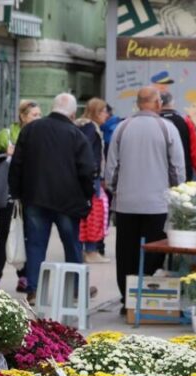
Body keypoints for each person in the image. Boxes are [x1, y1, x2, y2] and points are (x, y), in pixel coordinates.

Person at [7, 92, 95, 304]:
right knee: (72, 245)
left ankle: (34, 290)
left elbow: (17, 164)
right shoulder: (76, 135)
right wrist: (86, 198)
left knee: (36, 244)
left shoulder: (30, 130)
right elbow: (87, 170)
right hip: (68, 201)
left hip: (35, 198)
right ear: (73, 114)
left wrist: (16, 193)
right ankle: (75, 289)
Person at [105, 86, 185, 314]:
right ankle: (150, 295)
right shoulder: (166, 128)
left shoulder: (122, 127)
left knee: (126, 252)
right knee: (155, 250)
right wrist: (178, 193)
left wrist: (115, 189)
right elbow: (177, 167)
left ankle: (127, 300)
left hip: (127, 204)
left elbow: (111, 167)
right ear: (158, 103)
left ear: (138, 103)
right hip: (157, 204)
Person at [0, 100, 41, 291]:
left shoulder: (40, 135)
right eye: (34, 115)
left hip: (31, 193)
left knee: (27, 235)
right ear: (23, 116)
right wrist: (4, 152)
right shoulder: (8, 134)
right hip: (8, 193)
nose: (38, 118)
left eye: (39, 115)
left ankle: (23, 277)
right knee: (4, 233)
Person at [76, 98, 111, 265]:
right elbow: (88, 153)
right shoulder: (91, 128)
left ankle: (87, 249)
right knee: (95, 213)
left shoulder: (81, 126)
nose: (107, 114)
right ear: (97, 112)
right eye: (104, 111)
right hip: (91, 177)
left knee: (90, 213)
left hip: (85, 176)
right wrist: (96, 174)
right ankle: (91, 250)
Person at [159, 91, 196, 182]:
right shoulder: (185, 121)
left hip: (157, 176)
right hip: (183, 176)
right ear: (172, 103)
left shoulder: (153, 121)